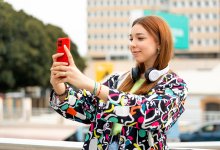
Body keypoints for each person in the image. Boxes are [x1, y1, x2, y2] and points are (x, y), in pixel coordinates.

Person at [50, 15, 188, 150]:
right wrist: (60, 89)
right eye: (131, 38)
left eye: (140, 38)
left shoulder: (175, 85)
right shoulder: (117, 79)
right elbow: (87, 111)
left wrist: (91, 85)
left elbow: (149, 114)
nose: (132, 44)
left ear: (160, 43)